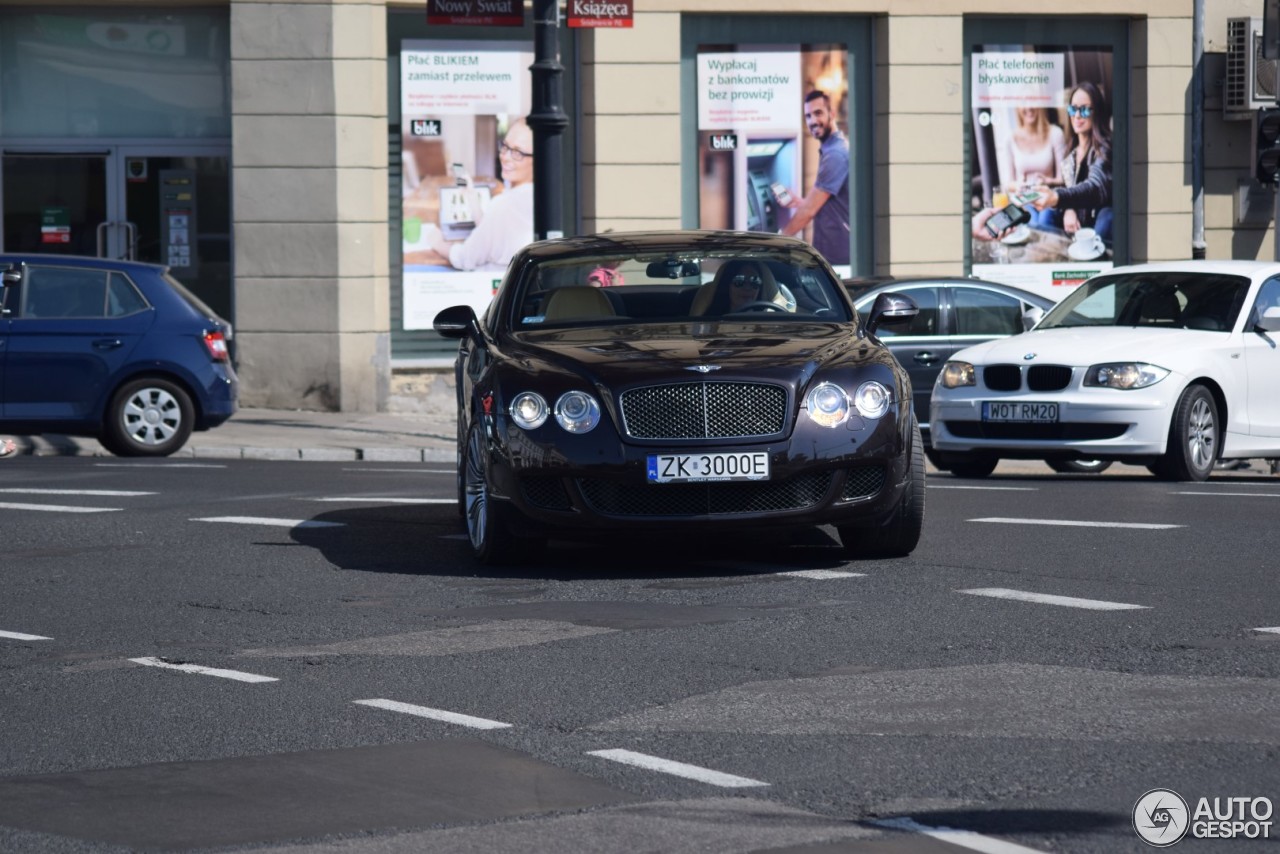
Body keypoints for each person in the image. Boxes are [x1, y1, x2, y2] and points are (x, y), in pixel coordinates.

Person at [423, 118, 534, 271]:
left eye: (517, 152)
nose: (505, 156)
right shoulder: (534, 196)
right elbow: (494, 232)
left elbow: (465, 258)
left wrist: (435, 241)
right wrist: (471, 196)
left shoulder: (505, 205)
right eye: (505, 146)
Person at [1030, 82, 1114, 241]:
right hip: (1077, 224)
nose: (1077, 115)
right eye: (1073, 109)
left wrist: (1058, 198)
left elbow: (1094, 188)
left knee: (1107, 215)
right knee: (1046, 213)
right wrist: (1068, 207)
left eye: (1084, 109)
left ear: (1097, 112)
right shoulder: (1070, 156)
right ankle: (1046, 253)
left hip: (1099, 222)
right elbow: (1070, 188)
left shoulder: (1105, 149)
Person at [779, 90, 851, 266]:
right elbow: (824, 204)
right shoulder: (831, 149)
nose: (812, 121)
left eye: (818, 113)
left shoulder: (835, 154)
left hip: (837, 258)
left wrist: (778, 240)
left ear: (831, 114)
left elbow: (809, 212)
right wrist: (800, 202)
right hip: (833, 253)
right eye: (808, 116)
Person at [1002, 107, 1066, 227]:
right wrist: (1018, 185)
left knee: (1043, 222)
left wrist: (1048, 181)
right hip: (1024, 199)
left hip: (1049, 196)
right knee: (1031, 222)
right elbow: (1008, 183)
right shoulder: (1010, 139)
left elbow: (1064, 180)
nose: (1029, 107)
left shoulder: (1056, 133)